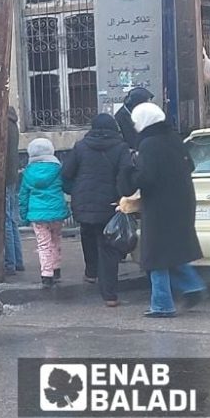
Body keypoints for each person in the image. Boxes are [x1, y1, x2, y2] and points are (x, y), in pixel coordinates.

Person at [119, 102, 206, 318]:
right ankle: (192, 285)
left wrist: (130, 172)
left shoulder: (149, 144)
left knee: (155, 255)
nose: (135, 125)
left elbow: (146, 178)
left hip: (159, 206)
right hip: (181, 201)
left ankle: (162, 304)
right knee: (171, 250)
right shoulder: (173, 138)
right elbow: (190, 165)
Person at [62, 114, 133, 306]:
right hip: (109, 203)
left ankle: (91, 272)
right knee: (108, 246)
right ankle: (110, 295)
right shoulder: (121, 148)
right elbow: (126, 174)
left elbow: (66, 172)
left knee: (87, 235)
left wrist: (75, 189)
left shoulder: (80, 147)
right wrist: (123, 196)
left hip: (83, 202)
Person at [20, 138, 69, 288]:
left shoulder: (28, 172)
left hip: (37, 215)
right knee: (56, 240)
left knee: (43, 244)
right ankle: (56, 268)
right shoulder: (58, 169)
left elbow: (23, 195)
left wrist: (24, 215)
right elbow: (66, 187)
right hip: (56, 212)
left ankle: (47, 274)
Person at [2, 106, 24, 275]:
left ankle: (10, 263)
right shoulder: (12, 122)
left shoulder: (4, 124)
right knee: (12, 220)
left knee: (6, 220)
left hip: (4, 177)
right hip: (11, 177)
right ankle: (18, 261)